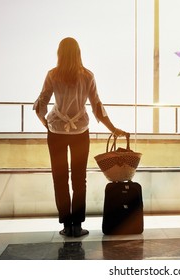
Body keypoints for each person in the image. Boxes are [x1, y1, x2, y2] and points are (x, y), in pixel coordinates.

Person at [33, 37, 128, 237]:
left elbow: (41, 104)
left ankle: (66, 225)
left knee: (59, 178)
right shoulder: (88, 76)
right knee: (79, 179)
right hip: (80, 133)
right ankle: (77, 225)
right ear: (78, 53)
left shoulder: (52, 75)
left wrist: (46, 124)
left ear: (59, 53)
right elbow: (97, 107)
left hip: (56, 132)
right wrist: (113, 128)